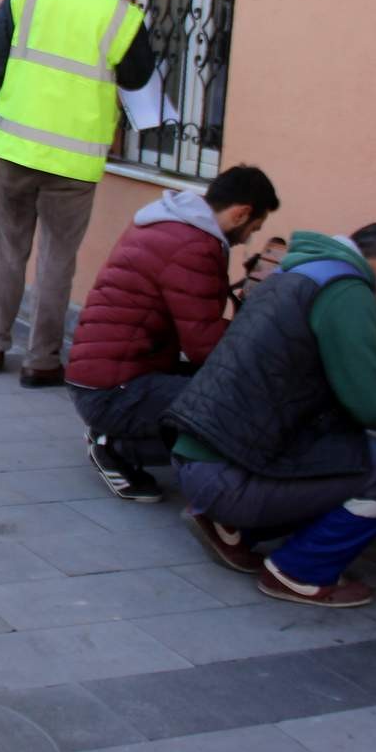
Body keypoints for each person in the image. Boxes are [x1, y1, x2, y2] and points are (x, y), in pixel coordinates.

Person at [163, 226, 376, 609]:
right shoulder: (349, 291)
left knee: (339, 447)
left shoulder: (292, 273)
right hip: (231, 477)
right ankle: (300, 572)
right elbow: (374, 406)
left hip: (197, 458)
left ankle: (231, 528)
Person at [0, 0, 156, 387]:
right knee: (56, 260)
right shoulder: (121, 15)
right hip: (74, 161)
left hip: (16, 148)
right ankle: (42, 361)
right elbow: (136, 78)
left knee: (7, 250)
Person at [67, 165, 281, 502]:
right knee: (235, 401)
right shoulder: (194, 245)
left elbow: (198, 328)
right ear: (241, 213)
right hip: (113, 391)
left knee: (224, 384)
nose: (248, 239)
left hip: (101, 378)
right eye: (253, 229)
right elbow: (204, 347)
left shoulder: (168, 223)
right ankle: (119, 446)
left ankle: (116, 432)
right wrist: (264, 353)